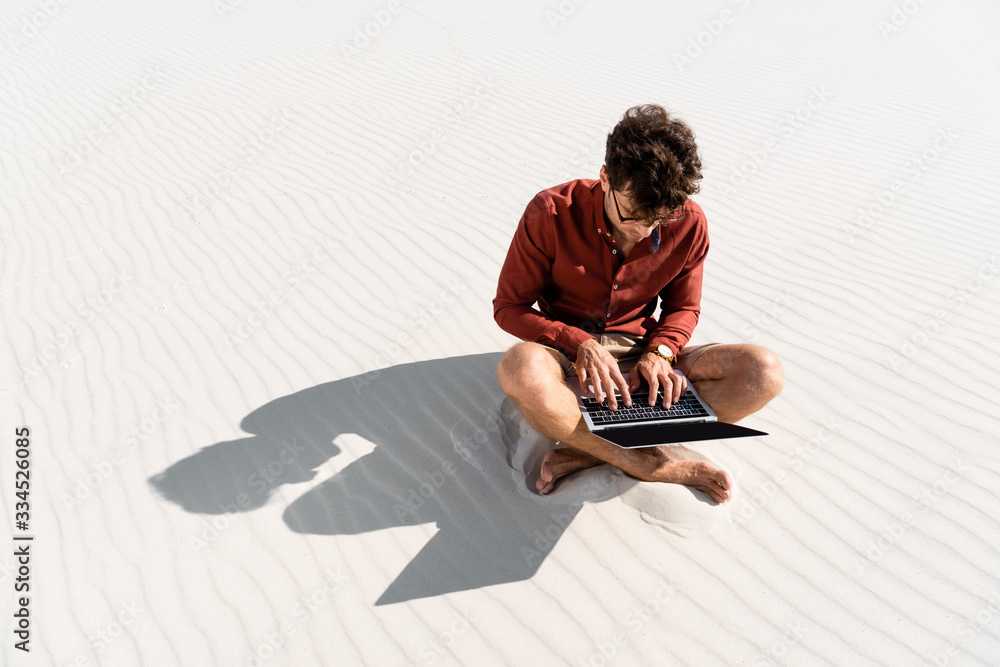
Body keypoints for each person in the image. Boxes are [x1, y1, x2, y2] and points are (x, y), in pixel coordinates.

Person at [493, 104, 783, 503]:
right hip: (564, 357)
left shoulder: (689, 220)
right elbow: (509, 306)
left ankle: (585, 449)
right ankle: (646, 463)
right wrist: (579, 344)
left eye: (659, 220)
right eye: (632, 216)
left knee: (762, 372)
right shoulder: (550, 212)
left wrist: (661, 354)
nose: (644, 230)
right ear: (605, 176)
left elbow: (683, 308)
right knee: (520, 369)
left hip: (640, 353)